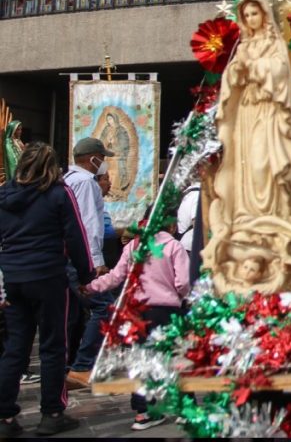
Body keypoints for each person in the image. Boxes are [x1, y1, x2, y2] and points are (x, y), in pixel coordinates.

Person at [205, 0, 291, 295]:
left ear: (265, 16)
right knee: (243, 170)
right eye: (248, 15)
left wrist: (253, 70)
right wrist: (235, 74)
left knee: (263, 166)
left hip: (269, 116)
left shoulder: (273, 45)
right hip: (246, 115)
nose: (252, 19)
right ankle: (244, 220)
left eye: (256, 14)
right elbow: (230, 81)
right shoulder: (242, 47)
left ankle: (274, 219)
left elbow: (280, 74)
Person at [0, 142, 94, 436]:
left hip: (14, 277)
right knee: (54, 346)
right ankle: (52, 412)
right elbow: (76, 235)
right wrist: (85, 275)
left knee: (16, 347)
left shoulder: (3, 194)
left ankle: (4, 417)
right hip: (48, 276)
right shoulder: (58, 193)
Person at [84, 210, 190, 430]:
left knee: (141, 360)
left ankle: (143, 412)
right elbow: (183, 283)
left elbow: (115, 277)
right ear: (170, 225)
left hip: (137, 312)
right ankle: (182, 409)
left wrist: (90, 287)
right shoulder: (174, 247)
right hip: (166, 311)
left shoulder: (133, 246)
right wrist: (180, 298)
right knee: (175, 359)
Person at [64, 137, 114, 389]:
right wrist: (96, 260)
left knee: (72, 313)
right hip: (81, 258)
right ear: (93, 158)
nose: (103, 164)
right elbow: (88, 224)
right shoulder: (85, 182)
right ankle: (82, 365)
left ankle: (69, 363)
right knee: (103, 307)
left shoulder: (67, 180)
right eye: (102, 158)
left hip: (66, 256)